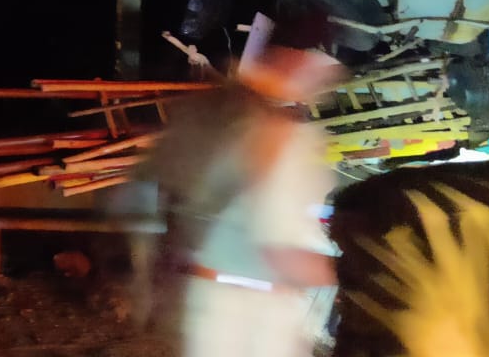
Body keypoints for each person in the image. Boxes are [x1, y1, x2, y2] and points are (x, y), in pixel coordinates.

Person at [142, 45, 342, 357]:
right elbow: (278, 249)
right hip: (250, 313)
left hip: (226, 300)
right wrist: (352, 271)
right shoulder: (278, 141)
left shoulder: (225, 128)